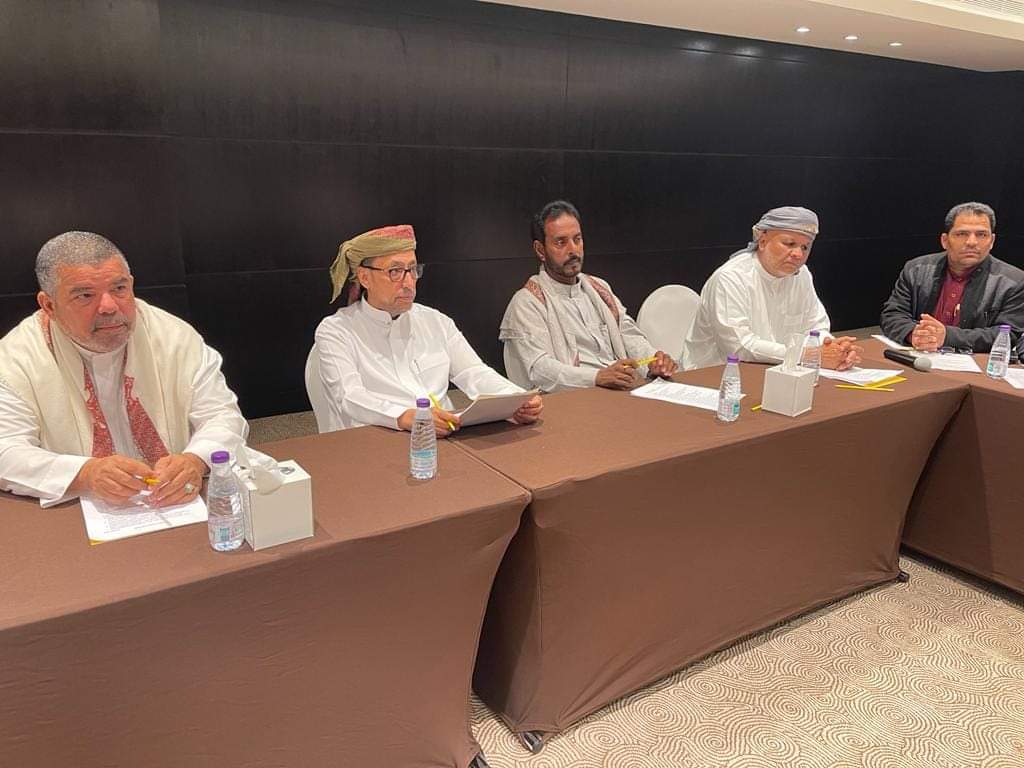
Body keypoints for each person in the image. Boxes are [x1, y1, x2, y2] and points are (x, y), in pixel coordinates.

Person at [0, 232, 247, 507]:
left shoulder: (174, 337)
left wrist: (195, 460)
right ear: (49, 305)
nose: (109, 307)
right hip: (75, 513)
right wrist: (85, 474)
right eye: (85, 295)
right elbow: (5, 450)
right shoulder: (14, 359)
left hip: (176, 503)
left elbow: (222, 415)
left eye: (119, 289)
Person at [316, 224, 542, 435]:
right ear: (365, 277)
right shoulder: (337, 330)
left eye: (412, 269)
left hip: (444, 433)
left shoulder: (435, 321)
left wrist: (513, 398)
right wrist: (402, 416)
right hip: (379, 436)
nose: (408, 282)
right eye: (395, 271)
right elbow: (349, 395)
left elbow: (472, 371)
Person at [500, 200, 677, 392]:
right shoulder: (527, 303)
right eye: (561, 242)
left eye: (577, 239)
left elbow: (627, 334)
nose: (573, 250)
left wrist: (652, 360)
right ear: (540, 250)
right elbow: (541, 370)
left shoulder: (599, 288)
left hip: (621, 389)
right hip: (573, 399)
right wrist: (597, 377)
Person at [683, 206, 861, 370]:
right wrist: (808, 355)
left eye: (805, 247)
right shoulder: (731, 277)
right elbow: (739, 346)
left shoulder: (802, 275)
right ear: (762, 241)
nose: (798, 254)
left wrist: (835, 350)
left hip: (779, 370)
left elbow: (817, 326)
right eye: (790, 244)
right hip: (714, 376)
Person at [879, 202, 1024, 352]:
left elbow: (1009, 334)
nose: (972, 242)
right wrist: (913, 333)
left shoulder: (1014, 281)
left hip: (973, 361)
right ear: (945, 240)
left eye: (981, 234)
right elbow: (892, 314)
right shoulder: (916, 269)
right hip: (919, 354)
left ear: (992, 241)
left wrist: (947, 337)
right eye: (962, 234)